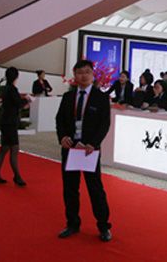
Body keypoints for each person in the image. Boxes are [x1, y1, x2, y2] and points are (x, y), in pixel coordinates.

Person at [55, 60, 112, 242]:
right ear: (74, 75)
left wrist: (93, 144)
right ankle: (72, 223)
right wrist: (62, 137)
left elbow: (104, 124)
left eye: (87, 72)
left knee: (95, 188)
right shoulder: (68, 97)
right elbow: (60, 120)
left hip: (89, 150)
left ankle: (103, 226)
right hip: (71, 148)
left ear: (93, 74)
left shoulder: (101, 98)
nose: (84, 75)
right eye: (80, 72)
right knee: (70, 188)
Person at [0, 67, 29, 186]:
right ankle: (17, 176)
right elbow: (18, 103)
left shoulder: (6, 88)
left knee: (4, 149)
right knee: (14, 149)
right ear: (16, 77)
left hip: (5, 121)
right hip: (10, 123)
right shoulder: (12, 89)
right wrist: (27, 100)